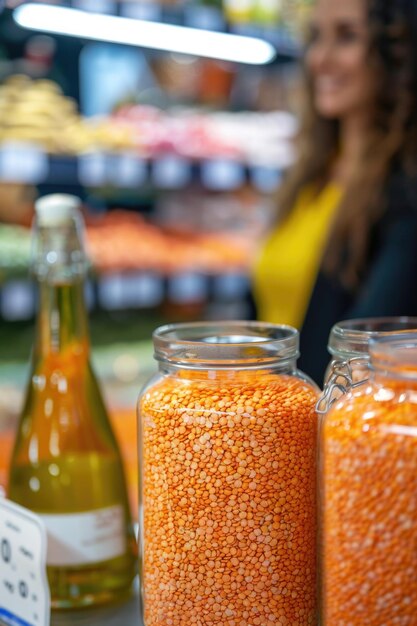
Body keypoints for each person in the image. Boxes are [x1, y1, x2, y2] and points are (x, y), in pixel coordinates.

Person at [251, 0, 417, 386]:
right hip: (272, 418)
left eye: (347, 36)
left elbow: (360, 358)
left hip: (329, 429)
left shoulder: (405, 193)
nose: (319, 59)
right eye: (315, 37)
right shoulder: (311, 176)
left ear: (397, 52)